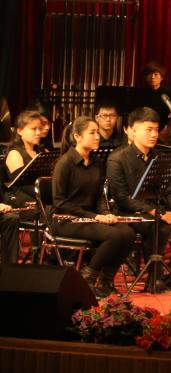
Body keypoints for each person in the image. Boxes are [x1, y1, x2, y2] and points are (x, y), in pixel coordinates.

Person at [106, 107, 171, 292]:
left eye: (155, 129)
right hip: (133, 213)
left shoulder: (159, 156)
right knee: (160, 226)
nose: (154, 134)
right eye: (148, 130)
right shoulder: (117, 159)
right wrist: (156, 212)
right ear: (133, 131)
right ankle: (154, 278)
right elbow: (121, 198)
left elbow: (169, 190)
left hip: (161, 210)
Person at [52, 116, 136, 297]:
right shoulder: (65, 163)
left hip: (89, 218)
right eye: (92, 133)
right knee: (113, 236)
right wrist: (94, 216)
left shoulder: (96, 162)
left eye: (98, 132)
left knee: (128, 233)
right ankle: (87, 279)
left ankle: (106, 282)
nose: (97, 136)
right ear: (77, 136)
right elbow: (59, 202)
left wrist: (105, 212)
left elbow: (99, 196)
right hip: (66, 220)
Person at [3, 110, 46, 208]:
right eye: (33, 129)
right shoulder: (14, 154)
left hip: (39, 195)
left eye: (40, 128)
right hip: (21, 199)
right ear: (19, 131)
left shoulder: (42, 151)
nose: (38, 133)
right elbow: (23, 185)